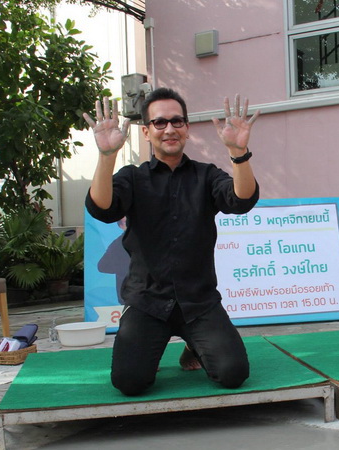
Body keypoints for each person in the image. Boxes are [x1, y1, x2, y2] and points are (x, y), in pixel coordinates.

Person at [84, 88, 259, 395]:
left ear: (187, 128)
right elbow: (102, 207)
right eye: (159, 122)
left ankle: (194, 345)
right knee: (129, 382)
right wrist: (107, 156)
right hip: (147, 301)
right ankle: (157, 346)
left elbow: (241, 200)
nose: (169, 129)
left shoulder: (206, 176)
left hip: (199, 301)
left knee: (233, 374)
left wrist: (238, 152)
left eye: (177, 121)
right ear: (146, 131)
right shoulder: (133, 177)